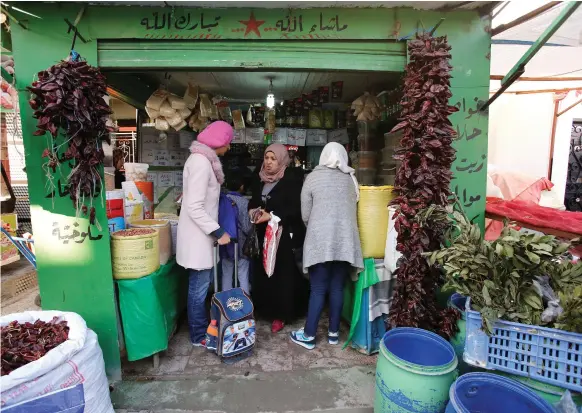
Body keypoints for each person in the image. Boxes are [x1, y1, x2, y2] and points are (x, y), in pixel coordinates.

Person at [290, 142, 364, 350]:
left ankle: (309, 335)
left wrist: (317, 226)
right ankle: (333, 334)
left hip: (320, 241)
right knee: (337, 287)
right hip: (345, 242)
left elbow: (305, 214)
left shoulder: (313, 177)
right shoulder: (351, 179)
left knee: (318, 288)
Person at [176, 121, 234, 348]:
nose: (229, 148)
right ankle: (198, 334)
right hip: (198, 238)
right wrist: (219, 231)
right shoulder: (201, 162)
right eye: (228, 143)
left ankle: (202, 327)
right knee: (198, 289)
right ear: (220, 142)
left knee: (200, 286)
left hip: (201, 235)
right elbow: (194, 206)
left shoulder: (203, 160)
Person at [248, 143, 308, 333]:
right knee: (263, 273)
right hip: (262, 236)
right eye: (266, 158)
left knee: (281, 275)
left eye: (273, 159)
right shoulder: (260, 180)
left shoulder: (291, 181)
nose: (268, 163)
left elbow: (296, 209)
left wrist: (272, 215)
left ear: (282, 160)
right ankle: (265, 309)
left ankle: (281, 314)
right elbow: (254, 201)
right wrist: (254, 211)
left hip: (282, 238)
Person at [222, 174, 252, 294]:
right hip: (241, 243)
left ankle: (225, 305)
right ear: (242, 186)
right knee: (243, 274)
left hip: (225, 241)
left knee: (226, 273)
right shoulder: (244, 202)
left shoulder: (223, 200)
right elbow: (246, 227)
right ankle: (245, 306)